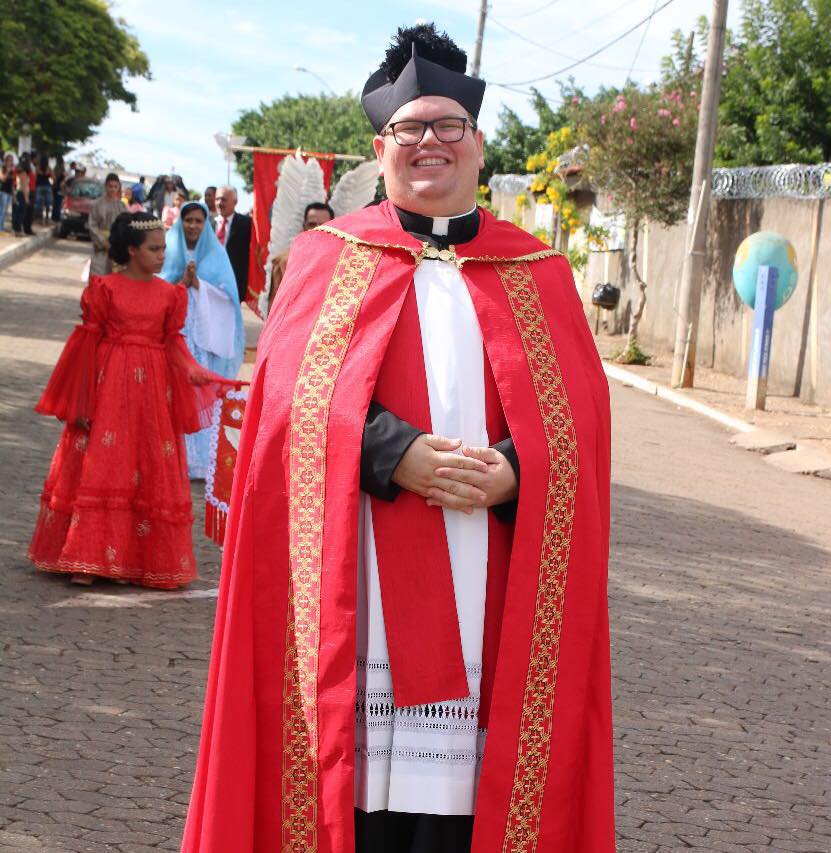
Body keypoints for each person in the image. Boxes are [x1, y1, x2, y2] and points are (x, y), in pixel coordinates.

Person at [183, 22, 613, 853]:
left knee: (474, 799)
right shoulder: (326, 256)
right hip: (362, 585)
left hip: (491, 582)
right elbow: (286, 403)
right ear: (381, 148)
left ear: (477, 143)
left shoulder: (541, 272)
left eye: (447, 125)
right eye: (409, 129)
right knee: (354, 795)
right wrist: (391, 453)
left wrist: (516, 470)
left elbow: (581, 424)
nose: (429, 143)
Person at [28, 212, 237, 588]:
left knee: (143, 463)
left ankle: (132, 560)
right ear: (131, 250)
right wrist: (80, 399)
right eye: (154, 249)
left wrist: (195, 371)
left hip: (152, 394)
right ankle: (86, 558)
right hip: (109, 387)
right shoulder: (104, 288)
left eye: (163, 249)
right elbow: (86, 345)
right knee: (104, 463)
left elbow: (173, 344)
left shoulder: (170, 295)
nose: (162, 256)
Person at [161, 201, 245, 479]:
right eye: (188, 220)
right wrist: (181, 283)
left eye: (198, 221)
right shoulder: (168, 249)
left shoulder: (216, 254)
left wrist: (199, 285)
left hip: (202, 339)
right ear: (181, 222)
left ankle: (198, 460)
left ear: (205, 224)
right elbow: (158, 288)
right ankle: (170, 457)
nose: (193, 226)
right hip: (175, 334)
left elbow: (228, 298)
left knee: (199, 391)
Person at [267, 201, 335, 311]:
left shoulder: (344, 263)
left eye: (324, 225)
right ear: (304, 227)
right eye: (312, 224)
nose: (317, 229)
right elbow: (274, 308)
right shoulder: (283, 262)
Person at [213, 186, 251, 302]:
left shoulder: (247, 224)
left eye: (223, 199)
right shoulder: (207, 223)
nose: (219, 203)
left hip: (235, 287)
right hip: (211, 284)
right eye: (217, 199)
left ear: (235, 202)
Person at [87, 173, 125, 276]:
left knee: (114, 278)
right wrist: (103, 242)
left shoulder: (122, 206)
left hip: (116, 249)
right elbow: (92, 225)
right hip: (100, 248)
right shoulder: (97, 204)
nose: (112, 189)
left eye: (115, 187)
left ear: (119, 188)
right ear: (105, 186)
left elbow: (125, 227)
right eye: (110, 186)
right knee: (98, 275)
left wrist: (116, 243)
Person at [11, 152, 33, 237]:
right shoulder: (23, 174)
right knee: (20, 213)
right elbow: (24, 187)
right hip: (22, 194)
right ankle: (18, 230)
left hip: (19, 193)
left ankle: (16, 229)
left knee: (17, 212)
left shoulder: (19, 172)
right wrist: (27, 198)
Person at [34, 153, 53, 226]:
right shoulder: (49, 168)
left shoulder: (37, 168)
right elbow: (53, 178)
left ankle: (39, 219)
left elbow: (35, 177)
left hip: (39, 186)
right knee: (48, 204)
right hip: (47, 186)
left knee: (39, 204)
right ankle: (47, 219)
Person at [0, 153, 14, 233]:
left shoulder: (12, 170)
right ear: (6, 161)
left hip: (9, 192)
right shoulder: (3, 168)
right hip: (3, 192)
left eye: (11, 160)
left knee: (5, 212)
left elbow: (12, 183)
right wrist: (8, 171)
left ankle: (2, 227)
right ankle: (0, 228)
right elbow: (3, 179)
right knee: (2, 211)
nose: (10, 162)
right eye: (9, 160)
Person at [51, 155, 66, 222]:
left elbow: (54, 179)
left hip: (55, 187)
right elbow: (64, 180)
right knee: (59, 203)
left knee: (55, 202)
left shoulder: (55, 168)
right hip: (60, 188)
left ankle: (53, 216)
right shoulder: (63, 169)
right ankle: (57, 217)